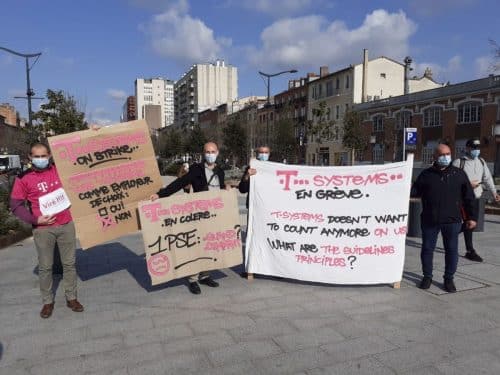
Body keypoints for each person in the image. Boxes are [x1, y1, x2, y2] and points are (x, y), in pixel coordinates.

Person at [10, 142, 84, 318]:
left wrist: (92, 133)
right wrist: (35, 219)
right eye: (37, 156)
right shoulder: (23, 178)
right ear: (30, 157)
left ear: (50, 155)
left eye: (44, 156)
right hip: (43, 230)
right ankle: (47, 302)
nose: (41, 159)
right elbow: (15, 205)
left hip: (66, 224)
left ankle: (71, 297)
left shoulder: (59, 170)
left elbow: (81, 159)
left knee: (69, 264)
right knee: (45, 267)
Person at [150, 142, 227, 295]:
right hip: (200, 213)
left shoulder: (220, 170)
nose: (210, 154)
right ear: (203, 153)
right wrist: (160, 194)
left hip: (215, 214)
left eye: (212, 151)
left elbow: (220, 187)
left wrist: (226, 189)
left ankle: (205, 275)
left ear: (217, 152)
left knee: (211, 245)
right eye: (207, 151)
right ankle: (193, 279)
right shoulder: (196, 169)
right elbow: (180, 183)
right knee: (197, 246)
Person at [411, 143, 477, 293]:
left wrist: (471, 217)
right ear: (434, 157)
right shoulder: (426, 175)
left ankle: (449, 279)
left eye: (448, 154)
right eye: (442, 154)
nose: (446, 157)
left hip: (452, 220)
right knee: (427, 249)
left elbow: (469, 197)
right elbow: (414, 192)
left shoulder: (459, 174)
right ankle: (427, 276)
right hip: (430, 220)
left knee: (451, 250)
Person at [452, 138, 500, 262]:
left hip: (476, 198)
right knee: (469, 222)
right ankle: (469, 250)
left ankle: (451, 234)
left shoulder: (481, 162)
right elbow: (451, 181)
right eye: (474, 148)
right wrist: (467, 184)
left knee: (472, 224)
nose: (476, 151)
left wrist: (494, 193)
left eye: (478, 148)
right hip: (463, 199)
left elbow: (488, 178)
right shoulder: (459, 162)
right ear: (467, 148)